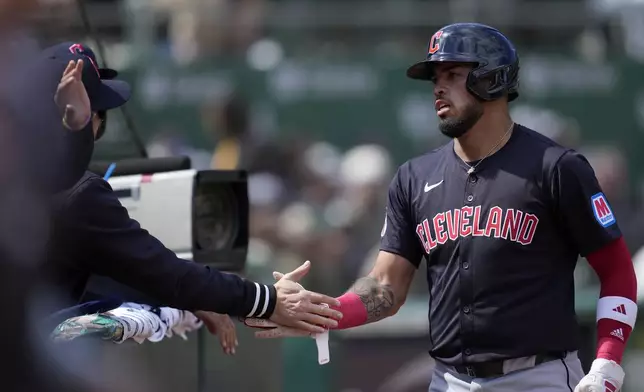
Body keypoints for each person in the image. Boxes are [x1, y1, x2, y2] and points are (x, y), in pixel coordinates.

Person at [245, 23, 637, 392]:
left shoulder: (556, 167)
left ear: (492, 77)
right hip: (450, 380)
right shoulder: (414, 177)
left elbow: (616, 268)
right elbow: (385, 287)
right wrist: (324, 312)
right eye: (435, 78)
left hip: (537, 377)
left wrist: (606, 361)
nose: (438, 88)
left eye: (452, 75)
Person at [42, 42, 342, 340]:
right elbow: (163, 272)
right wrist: (269, 301)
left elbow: (108, 271)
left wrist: (195, 298)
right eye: (97, 115)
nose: (98, 126)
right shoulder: (78, 194)